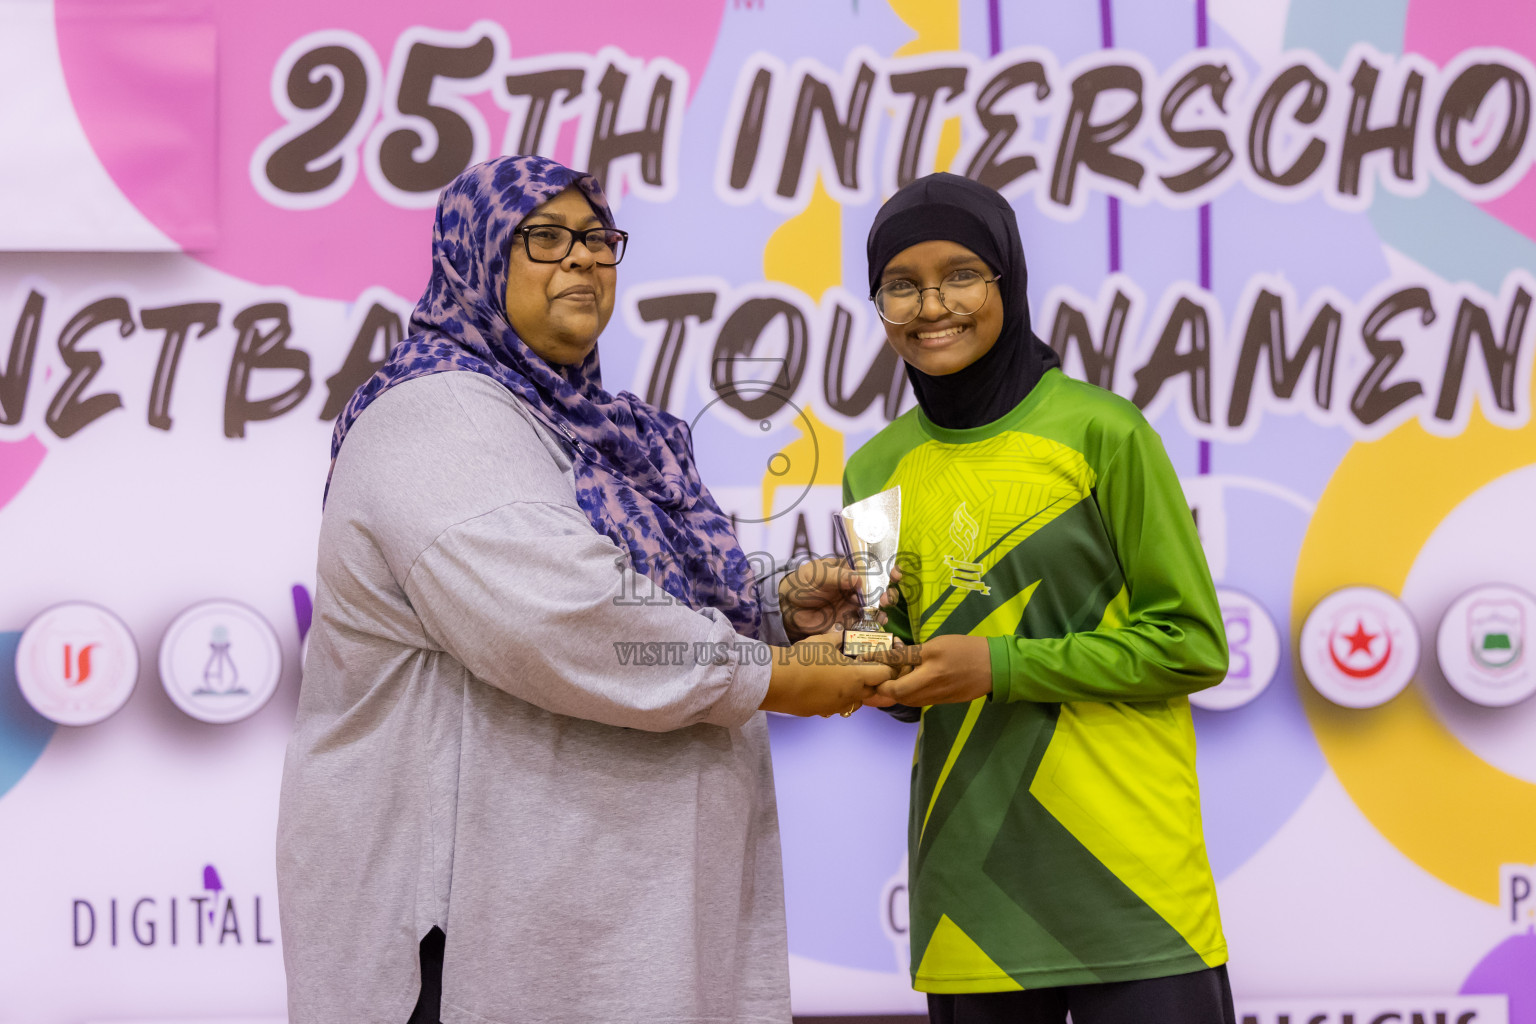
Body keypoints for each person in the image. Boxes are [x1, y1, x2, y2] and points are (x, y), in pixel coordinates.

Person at [276, 155, 890, 1024]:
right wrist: (778, 677)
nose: (583, 259)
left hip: (604, 927)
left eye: (599, 238)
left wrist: (772, 605)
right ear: (477, 258)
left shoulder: (595, 424)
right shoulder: (438, 414)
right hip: (473, 947)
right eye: (546, 237)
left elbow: (644, 572)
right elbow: (568, 615)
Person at [846, 173, 1235, 1024]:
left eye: (959, 274)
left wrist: (1000, 664)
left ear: (1007, 282)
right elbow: (898, 679)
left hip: (1131, 887)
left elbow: (1194, 643)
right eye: (900, 284)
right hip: (970, 899)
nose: (930, 304)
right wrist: (858, 648)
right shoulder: (871, 471)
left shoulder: (1103, 433)